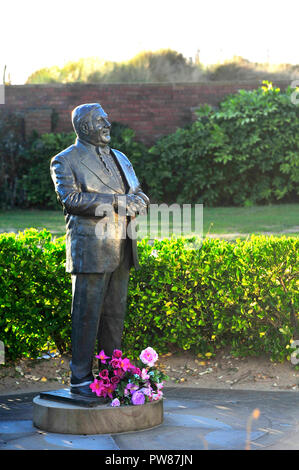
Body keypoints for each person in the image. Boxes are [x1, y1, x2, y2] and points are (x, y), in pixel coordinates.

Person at [50, 103, 149, 399]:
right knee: (86, 315)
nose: (108, 123)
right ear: (83, 127)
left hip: (122, 244)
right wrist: (119, 203)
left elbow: (137, 191)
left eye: (106, 118)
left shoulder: (120, 157)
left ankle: (112, 374)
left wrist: (139, 201)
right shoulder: (64, 161)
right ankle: (81, 378)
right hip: (91, 249)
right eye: (99, 120)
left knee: (114, 314)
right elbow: (71, 200)